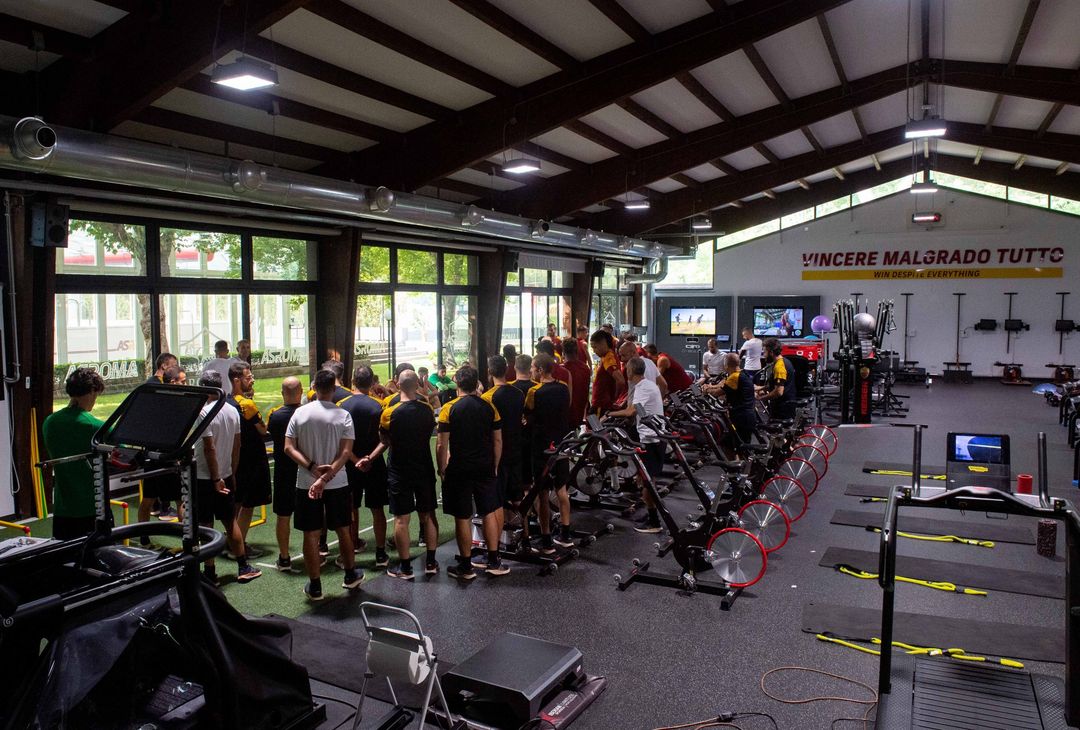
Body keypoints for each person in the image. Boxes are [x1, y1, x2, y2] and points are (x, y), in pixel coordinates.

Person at [285, 369, 362, 601]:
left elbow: (288, 448)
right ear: (334, 389)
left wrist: (312, 469)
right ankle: (350, 575)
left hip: (306, 482)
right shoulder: (343, 415)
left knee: (311, 534)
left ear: (314, 387)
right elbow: (346, 453)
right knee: (342, 529)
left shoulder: (299, 414)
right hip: (337, 482)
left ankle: (315, 586)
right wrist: (325, 477)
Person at [361, 370, 439, 579]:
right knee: (429, 514)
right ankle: (431, 562)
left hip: (399, 470)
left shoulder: (389, 412)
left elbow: (384, 439)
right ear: (417, 385)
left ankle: (405, 568)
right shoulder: (427, 409)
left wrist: (370, 457)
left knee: (401, 519)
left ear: (397, 384)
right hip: (423, 467)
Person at [436, 365, 505, 580]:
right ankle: (494, 561)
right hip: (484, 466)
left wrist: (442, 468)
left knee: (462, 516)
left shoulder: (449, 408)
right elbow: (497, 440)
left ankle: (466, 567)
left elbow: (441, 445)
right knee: (489, 511)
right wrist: (495, 464)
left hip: (460, 468)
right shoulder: (489, 406)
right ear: (477, 384)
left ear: (457, 383)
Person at [193, 371, 260, 584]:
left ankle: (210, 572)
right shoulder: (232, 410)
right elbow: (236, 445)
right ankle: (243, 566)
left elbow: (209, 448)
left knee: (206, 525)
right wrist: (231, 471)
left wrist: (215, 478)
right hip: (226, 474)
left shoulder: (203, 413)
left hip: (207, 478)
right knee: (230, 522)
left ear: (205, 388)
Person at [43, 368, 106, 540]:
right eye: (96, 394)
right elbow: (123, 452)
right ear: (92, 391)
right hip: (92, 508)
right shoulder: (94, 426)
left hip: (63, 508)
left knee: (66, 559)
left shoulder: (50, 422)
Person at [338, 366, 390, 569]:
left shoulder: (342, 405)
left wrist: (354, 459)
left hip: (350, 466)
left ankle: (349, 552)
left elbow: (340, 440)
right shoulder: (379, 405)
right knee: (377, 509)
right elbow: (386, 439)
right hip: (374, 465)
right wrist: (369, 458)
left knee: (351, 508)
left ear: (352, 381)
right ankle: (380, 553)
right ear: (372, 383)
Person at [605, 357, 666, 533]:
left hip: (651, 440)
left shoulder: (643, 387)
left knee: (648, 482)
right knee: (647, 480)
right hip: (653, 437)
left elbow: (631, 411)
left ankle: (654, 522)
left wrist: (610, 414)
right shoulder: (648, 385)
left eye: (626, 369)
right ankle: (651, 515)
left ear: (630, 371)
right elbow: (638, 411)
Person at [525, 353, 574, 550]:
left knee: (542, 493)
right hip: (561, 443)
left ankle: (546, 539)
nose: (531, 372)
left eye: (533, 369)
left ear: (540, 370)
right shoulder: (563, 388)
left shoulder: (534, 392)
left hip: (541, 448)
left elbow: (527, 417)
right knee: (562, 490)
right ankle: (565, 533)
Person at [228, 362, 272, 558]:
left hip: (235, 460)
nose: (252, 379)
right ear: (236, 380)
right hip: (251, 460)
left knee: (236, 503)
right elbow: (263, 429)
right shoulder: (246, 405)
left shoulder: (227, 402)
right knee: (248, 505)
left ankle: (232, 541)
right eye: (248, 377)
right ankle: (239, 547)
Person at [482, 355, 525, 545]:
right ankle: (526, 538)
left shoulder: (487, 397)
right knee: (518, 499)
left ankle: (495, 546)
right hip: (516, 452)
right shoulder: (518, 393)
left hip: (498, 456)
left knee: (497, 502)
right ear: (507, 369)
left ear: (489, 372)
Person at [267, 377, 303, 571]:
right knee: (312, 515)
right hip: (305, 470)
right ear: (302, 391)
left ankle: (284, 557)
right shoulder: (307, 414)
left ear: (282, 394)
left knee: (283, 516)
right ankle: (318, 550)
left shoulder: (276, 416)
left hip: (283, 471)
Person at [704, 352, 757, 445]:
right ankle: (738, 459)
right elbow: (725, 386)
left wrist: (706, 390)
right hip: (747, 415)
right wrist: (712, 387)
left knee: (726, 444)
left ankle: (739, 459)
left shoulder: (734, 377)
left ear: (726, 364)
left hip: (741, 417)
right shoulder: (742, 373)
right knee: (737, 446)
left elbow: (717, 393)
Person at [512, 354, 536, 504]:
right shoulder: (537, 388)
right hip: (534, 438)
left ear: (515, 367)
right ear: (531, 368)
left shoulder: (510, 389)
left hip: (515, 439)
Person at [757, 338, 796, 420]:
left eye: (764, 352)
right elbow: (779, 384)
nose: (764, 355)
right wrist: (761, 388)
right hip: (785, 405)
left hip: (782, 409)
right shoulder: (784, 361)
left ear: (771, 352)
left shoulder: (779, 367)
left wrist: (761, 398)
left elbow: (778, 392)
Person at [589, 330, 625, 415]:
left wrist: (614, 399)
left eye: (595, 347)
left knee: (596, 428)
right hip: (601, 403)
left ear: (603, 344)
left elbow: (621, 381)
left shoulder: (609, 359)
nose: (594, 351)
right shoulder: (606, 357)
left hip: (601, 405)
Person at [561, 337, 591, 431]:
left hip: (566, 414)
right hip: (580, 411)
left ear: (563, 352)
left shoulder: (562, 370)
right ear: (577, 351)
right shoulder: (585, 369)